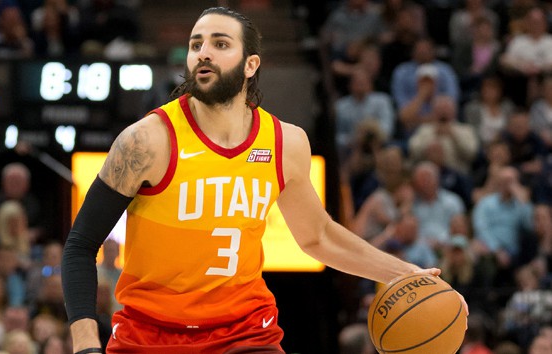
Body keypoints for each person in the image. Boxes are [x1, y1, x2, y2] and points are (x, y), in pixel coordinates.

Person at [61, 7, 463, 353]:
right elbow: (80, 246)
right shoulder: (147, 141)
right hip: (151, 333)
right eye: (196, 43)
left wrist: (401, 273)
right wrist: (85, 345)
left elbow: (317, 236)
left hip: (245, 331)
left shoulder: (286, 142)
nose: (204, 53)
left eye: (220, 44)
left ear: (251, 64)